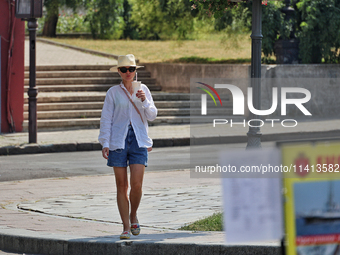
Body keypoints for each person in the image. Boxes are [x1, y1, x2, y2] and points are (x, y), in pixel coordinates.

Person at [98, 54, 157, 239]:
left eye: (131, 69)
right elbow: (106, 119)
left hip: (139, 140)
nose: (128, 72)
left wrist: (144, 101)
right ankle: (125, 226)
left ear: (135, 71)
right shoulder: (113, 92)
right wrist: (105, 142)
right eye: (124, 70)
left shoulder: (144, 89)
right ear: (119, 72)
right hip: (118, 140)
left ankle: (133, 216)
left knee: (137, 185)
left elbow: (152, 115)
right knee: (121, 185)